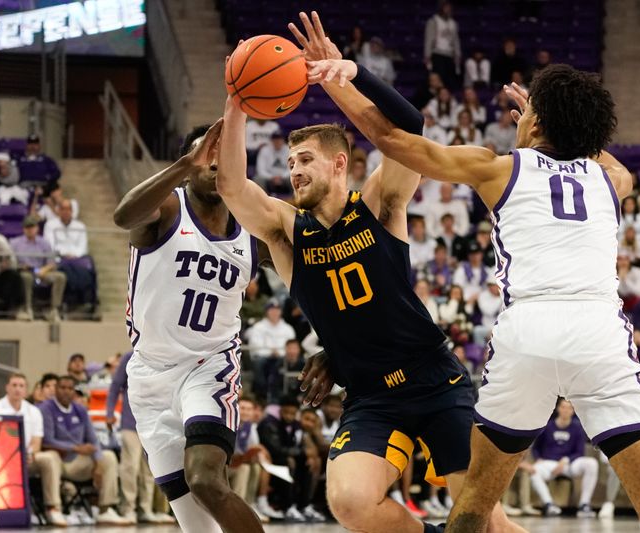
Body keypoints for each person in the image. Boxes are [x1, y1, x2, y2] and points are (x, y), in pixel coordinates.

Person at [307, 53, 640, 531]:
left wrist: (343, 81)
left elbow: (393, 140)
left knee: (472, 510)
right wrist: (563, 120)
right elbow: (604, 156)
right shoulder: (612, 180)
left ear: (537, 124)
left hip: (526, 334)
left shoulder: (498, 168)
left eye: (528, 113)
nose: (519, 117)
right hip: (598, 333)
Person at [215, 13, 517, 533]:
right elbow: (232, 189)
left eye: (305, 159)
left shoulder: (379, 205)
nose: (294, 170)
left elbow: (411, 128)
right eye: (290, 163)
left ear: (339, 165)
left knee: (485, 521)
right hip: (370, 395)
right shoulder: (288, 231)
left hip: (434, 378)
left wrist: (343, 75)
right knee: (351, 501)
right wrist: (237, 102)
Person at [112, 121, 266, 533]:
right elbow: (123, 214)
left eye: (223, 160)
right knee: (197, 525)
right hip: (149, 377)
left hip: (210, 366)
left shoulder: (254, 231)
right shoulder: (167, 209)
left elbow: (310, 276)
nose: (215, 166)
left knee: (205, 480)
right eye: (205, 159)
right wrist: (183, 165)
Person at [39, 375, 128, 525]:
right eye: (62, 388)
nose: (66, 392)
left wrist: (98, 462)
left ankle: (105, 509)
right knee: (51, 456)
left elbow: (93, 439)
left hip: (78, 461)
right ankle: (54, 508)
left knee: (108, 457)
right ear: (56, 390)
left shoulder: (80, 410)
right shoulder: (46, 409)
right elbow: (47, 440)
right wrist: (76, 448)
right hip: (59, 460)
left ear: (74, 391)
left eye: (70, 388)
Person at [105, 352, 174, 524]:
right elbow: (115, 386)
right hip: (131, 423)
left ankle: (146, 508)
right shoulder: (130, 357)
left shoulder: (163, 354)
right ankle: (127, 509)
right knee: (130, 467)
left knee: (150, 469)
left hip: (153, 422)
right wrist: (109, 412)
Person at [0, 373, 66, 525]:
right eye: (14, 385)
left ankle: (53, 508)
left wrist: (29, 454)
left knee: (49, 458)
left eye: (21, 386)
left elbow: (37, 441)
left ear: (26, 390)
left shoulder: (34, 411)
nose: (17, 389)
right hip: (1, 461)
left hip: (27, 459)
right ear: (7, 388)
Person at [528, 399, 599, 517]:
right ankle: (548, 504)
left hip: (569, 464)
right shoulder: (547, 426)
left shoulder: (577, 428)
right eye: (563, 407)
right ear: (558, 408)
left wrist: (566, 460)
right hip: (549, 463)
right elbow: (536, 447)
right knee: (534, 470)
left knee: (591, 463)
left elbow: (579, 452)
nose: (566, 410)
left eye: (569, 408)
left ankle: (584, 505)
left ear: (573, 411)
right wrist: (538, 458)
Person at [10, 215, 66, 321]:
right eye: (27, 227)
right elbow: (11, 262)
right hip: (25, 271)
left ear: (37, 228)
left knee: (60, 277)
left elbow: (52, 262)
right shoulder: (15, 243)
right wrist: (21, 267)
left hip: (41, 271)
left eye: (32, 227)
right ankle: (28, 308)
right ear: (23, 229)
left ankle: (54, 309)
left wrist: (44, 270)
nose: (30, 230)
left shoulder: (44, 243)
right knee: (27, 278)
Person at [245, 299, 296, 399]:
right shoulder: (258, 327)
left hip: (282, 357)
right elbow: (255, 348)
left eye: (277, 310)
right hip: (264, 357)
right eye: (272, 310)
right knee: (259, 362)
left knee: (283, 363)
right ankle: (262, 392)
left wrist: (279, 353)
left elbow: (292, 347)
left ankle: (279, 393)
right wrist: (270, 352)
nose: (275, 312)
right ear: (267, 311)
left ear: (281, 311)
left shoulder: (288, 328)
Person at [423, 1, 461, 89]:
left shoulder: (453, 23)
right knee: (438, 78)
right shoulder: (434, 21)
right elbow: (429, 39)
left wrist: (457, 54)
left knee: (449, 80)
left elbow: (456, 40)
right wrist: (427, 55)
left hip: (449, 54)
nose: (448, 9)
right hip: (437, 53)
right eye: (446, 7)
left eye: (449, 7)